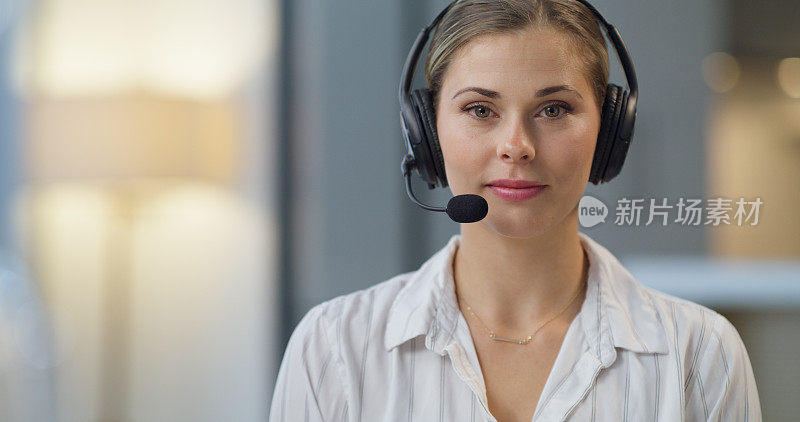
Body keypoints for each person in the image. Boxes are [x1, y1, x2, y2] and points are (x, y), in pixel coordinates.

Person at [269, 0, 762, 421]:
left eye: (554, 110)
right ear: (426, 131)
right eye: (480, 110)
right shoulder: (334, 347)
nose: (516, 147)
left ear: (611, 130)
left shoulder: (699, 355)